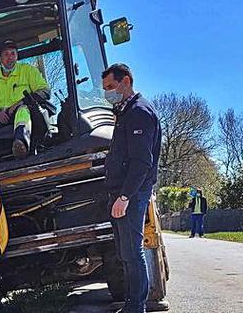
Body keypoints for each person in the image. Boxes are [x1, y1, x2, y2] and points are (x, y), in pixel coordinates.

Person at [102, 63, 162, 313]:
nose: (108, 93)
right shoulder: (126, 112)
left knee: (133, 253)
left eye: (111, 87)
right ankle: (131, 304)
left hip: (132, 194)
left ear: (126, 81)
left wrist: (125, 196)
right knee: (126, 254)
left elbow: (141, 162)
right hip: (122, 193)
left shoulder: (139, 112)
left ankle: (137, 307)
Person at [0, 39, 50, 160]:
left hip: (24, 112)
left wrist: (19, 103)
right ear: (0, 58)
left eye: (13, 53)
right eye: (6, 54)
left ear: (17, 55)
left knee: (23, 110)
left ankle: (21, 144)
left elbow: (45, 91)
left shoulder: (28, 70)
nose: (10, 57)